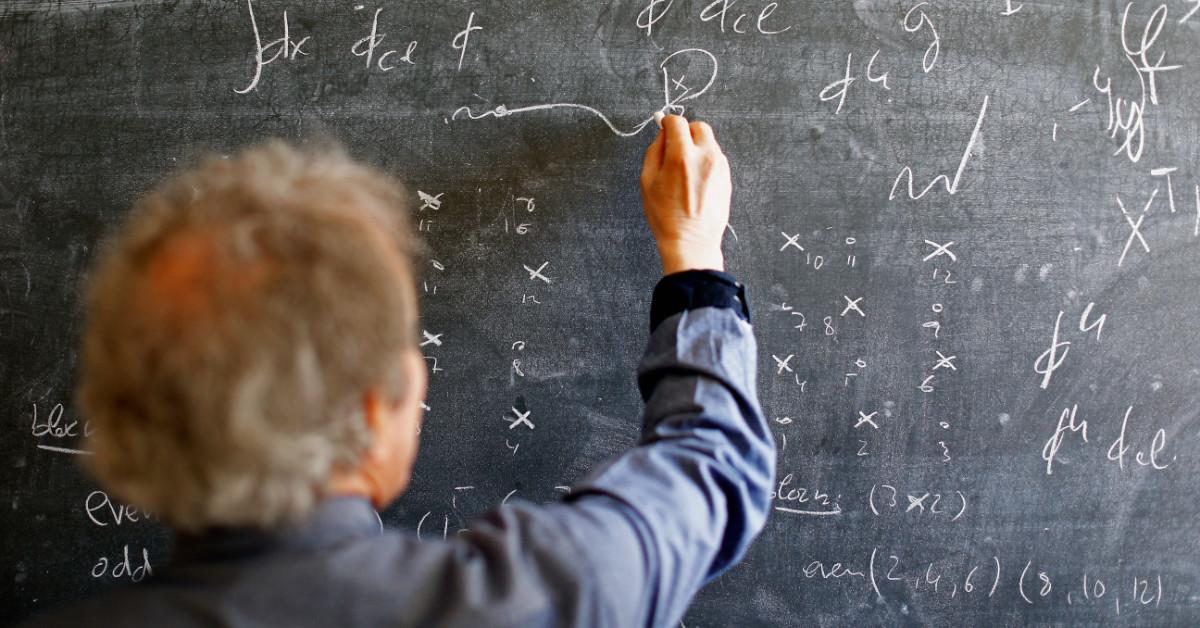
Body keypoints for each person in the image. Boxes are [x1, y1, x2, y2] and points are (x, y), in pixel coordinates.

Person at [24, 115, 775, 627]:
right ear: (384, 408)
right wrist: (693, 255)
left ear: (121, 420)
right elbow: (712, 467)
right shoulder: (534, 598)